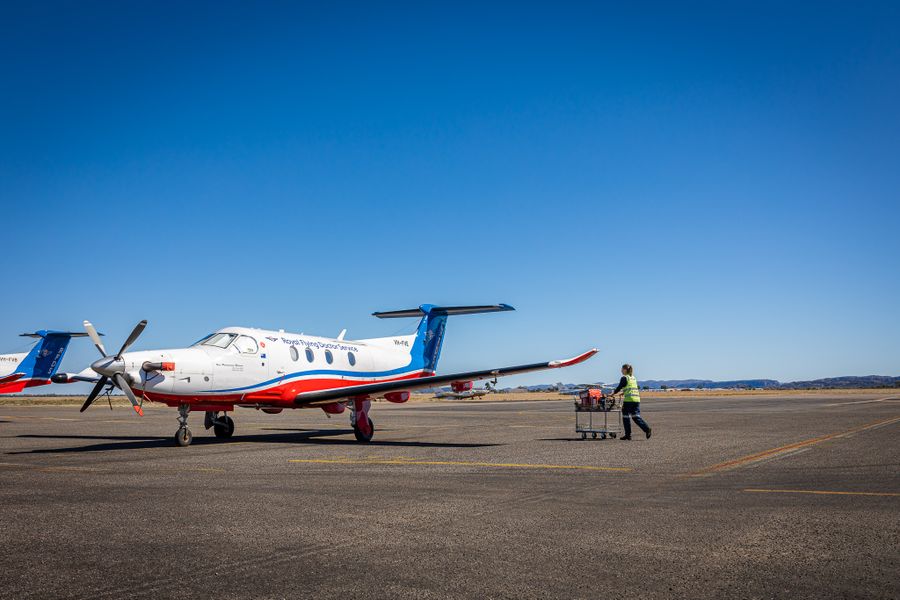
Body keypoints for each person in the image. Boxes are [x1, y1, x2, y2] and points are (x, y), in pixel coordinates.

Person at [611, 363, 651, 440]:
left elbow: (619, 387)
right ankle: (647, 429)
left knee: (625, 417)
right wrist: (624, 392)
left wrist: (613, 393)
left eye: (622, 369)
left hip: (629, 400)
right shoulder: (633, 378)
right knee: (636, 417)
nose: (621, 370)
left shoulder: (624, 378)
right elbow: (631, 387)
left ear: (625, 370)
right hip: (636, 400)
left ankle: (628, 435)